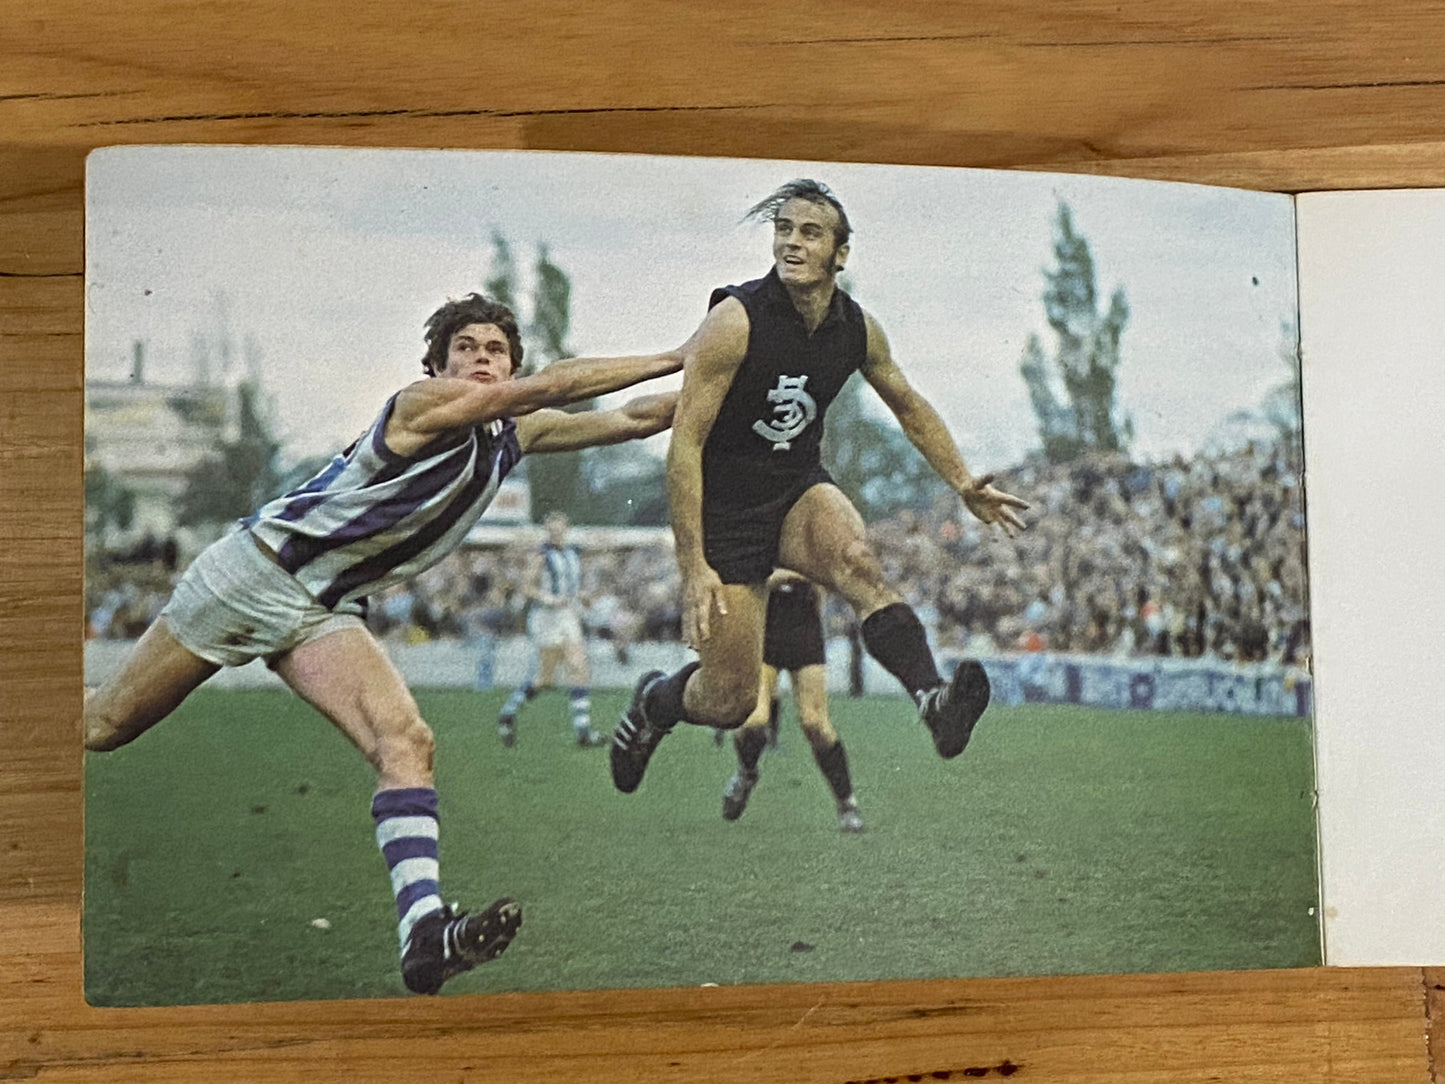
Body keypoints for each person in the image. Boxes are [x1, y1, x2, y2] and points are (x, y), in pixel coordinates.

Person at [84, 293, 680, 995]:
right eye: (467, 348)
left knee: (406, 742)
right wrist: (679, 354)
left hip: (322, 610)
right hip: (251, 576)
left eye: (495, 350)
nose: (481, 359)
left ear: (510, 361)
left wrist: (729, 377)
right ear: (437, 363)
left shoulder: (510, 436)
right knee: (103, 727)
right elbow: (552, 387)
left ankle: (425, 934)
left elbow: (637, 418)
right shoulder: (421, 404)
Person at [611, 179, 1028, 795]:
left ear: (841, 252)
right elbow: (687, 445)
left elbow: (908, 406)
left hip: (795, 488)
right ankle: (653, 703)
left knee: (859, 561)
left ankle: (933, 701)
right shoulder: (734, 321)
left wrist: (963, 481)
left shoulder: (856, 330)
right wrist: (692, 564)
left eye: (809, 233)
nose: (792, 243)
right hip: (727, 505)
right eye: (783, 230)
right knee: (728, 699)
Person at [720, 571, 865, 832]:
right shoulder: (763, 536)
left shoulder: (810, 534)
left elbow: (828, 576)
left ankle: (847, 804)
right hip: (765, 632)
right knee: (755, 720)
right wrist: (791, 574)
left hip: (805, 633)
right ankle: (746, 772)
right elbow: (750, 580)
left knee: (815, 724)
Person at [496, 511, 604, 747]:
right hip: (546, 618)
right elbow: (526, 586)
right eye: (552, 529)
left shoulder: (572, 552)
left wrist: (582, 596)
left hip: (567, 615)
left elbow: (573, 586)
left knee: (579, 667)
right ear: (547, 531)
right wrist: (548, 598)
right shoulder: (542, 555)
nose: (556, 533)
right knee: (545, 679)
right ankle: (508, 713)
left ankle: (583, 733)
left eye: (560, 529)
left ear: (566, 528)